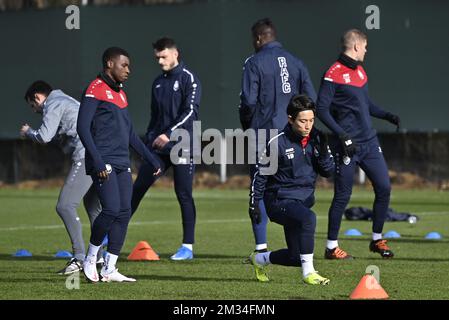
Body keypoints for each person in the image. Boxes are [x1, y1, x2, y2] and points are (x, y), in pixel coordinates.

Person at [77, 47, 161, 283]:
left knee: (124, 213)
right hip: (103, 161)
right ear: (109, 64)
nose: (128, 70)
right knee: (111, 209)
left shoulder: (121, 94)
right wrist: (97, 160)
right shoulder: (95, 89)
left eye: (129, 65)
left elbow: (131, 135)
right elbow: (82, 128)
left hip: (122, 162)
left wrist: (151, 157)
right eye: (123, 65)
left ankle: (110, 269)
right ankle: (90, 258)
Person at [316, 29, 401, 259]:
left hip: (369, 142)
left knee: (384, 187)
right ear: (355, 46)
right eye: (364, 46)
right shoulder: (332, 74)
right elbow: (321, 109)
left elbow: (366, 104)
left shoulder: (361, 72)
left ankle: (377, 239)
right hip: (347, 146)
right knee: (342, 196)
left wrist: (387, 115)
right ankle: (331, 247)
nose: (366, 50)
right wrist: (343, 136)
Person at [239, 18, 317, 255]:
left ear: (259, 38)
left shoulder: (254, 62)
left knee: (259, 188)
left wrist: (246, 125)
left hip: (264, 136)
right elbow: (311, 98)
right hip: (293, 138)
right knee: (290, 189)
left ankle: (261, 249)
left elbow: (248, 101)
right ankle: (296, 249)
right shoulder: (296, 61)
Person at [249, 94, 332, 285]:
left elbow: (326, 172)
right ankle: (309, 273)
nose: (308, 125)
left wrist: (324, 150)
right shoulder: (277, 143)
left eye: (311, 120)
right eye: (303, 121)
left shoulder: (316, 139)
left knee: (296, 257)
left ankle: (259, 259)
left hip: (302, 201)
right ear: (290, 119)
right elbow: (260, 176)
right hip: (279, 201)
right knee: (308, 219)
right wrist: (253, 203)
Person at [20, 80, 102, 275]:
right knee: (93, 210)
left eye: (33, 105)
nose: (34, 110)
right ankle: (98, 258)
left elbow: (44, 136)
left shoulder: (53, 103)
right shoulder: (64, 99)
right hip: (97, 154)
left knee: (65, 205)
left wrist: (28, 132)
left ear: (38, 98)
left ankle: (80, 257)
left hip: (86, 157)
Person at [130, 37, 201, 261]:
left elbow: (190, 113)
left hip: (182, 144)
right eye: (157, 57)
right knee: (137, 190)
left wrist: (169, 134)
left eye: (163, 56)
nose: (160, 61)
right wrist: (150, 140)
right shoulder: (157, 83)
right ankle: (107, 240)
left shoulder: (190, 79)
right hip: (158, 148)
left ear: (175, 53)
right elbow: (154, 117)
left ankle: (187, 247)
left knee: (183, 194)